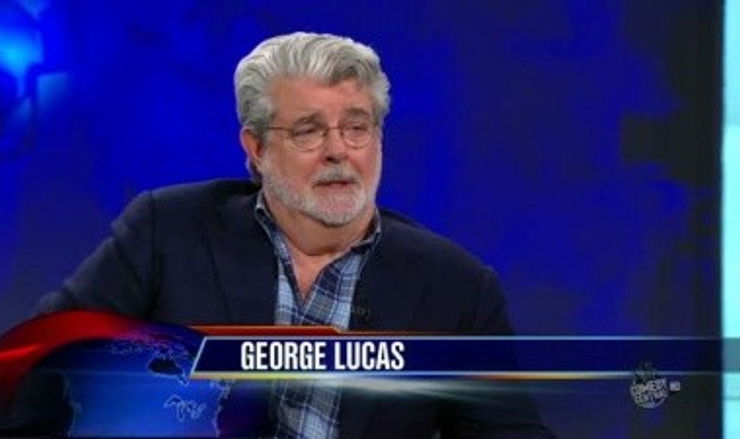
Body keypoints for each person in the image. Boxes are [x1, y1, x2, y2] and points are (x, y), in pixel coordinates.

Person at [31, 32, 552, 438]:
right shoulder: (166, 231)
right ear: (256, 148)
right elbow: (39, 365)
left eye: (357, 127)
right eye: (308, 130)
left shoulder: (456, 288)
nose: (338, 150)